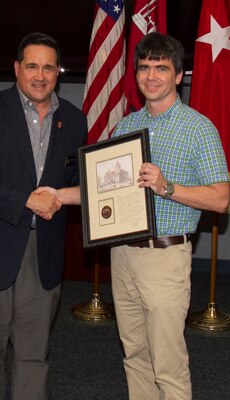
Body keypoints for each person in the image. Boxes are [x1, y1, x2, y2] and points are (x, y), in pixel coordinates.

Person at [0, 32, 87, 400]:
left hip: (42, 254)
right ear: (16, 69)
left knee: (34, 355)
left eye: (49, 67)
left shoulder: (74, 121)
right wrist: (26, 200)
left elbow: (80, 184)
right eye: (32, 66)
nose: (40, 75)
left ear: (57, 73)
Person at [110, 32, 229, 400]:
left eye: (161, 68)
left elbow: (222, 199)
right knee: (135, 356)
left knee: (168, 365)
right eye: (144, 67)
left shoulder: (198, 128)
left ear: (179, 75)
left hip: (165, 258)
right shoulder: (125, 127)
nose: (151, 76)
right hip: (122, 254)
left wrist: (167, 187)